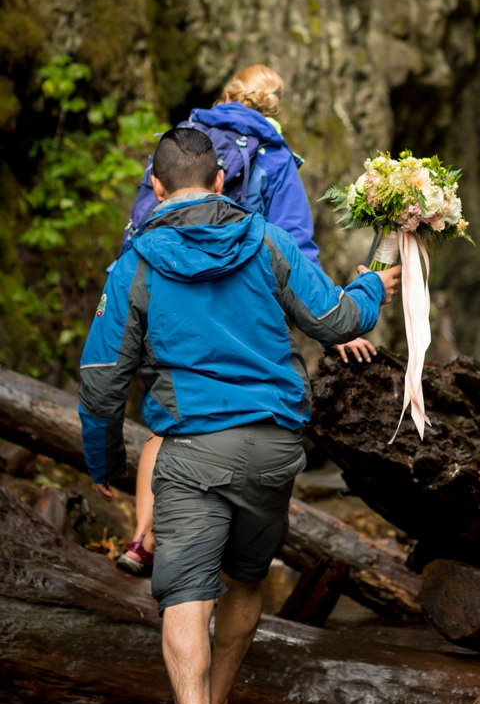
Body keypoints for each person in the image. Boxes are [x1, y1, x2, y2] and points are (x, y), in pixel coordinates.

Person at [79, 126, 401, 704]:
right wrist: (371, 285)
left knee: (186, 596)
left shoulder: (136, 262)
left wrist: (102, 460)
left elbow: (104, 381)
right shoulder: (268, 241)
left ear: (156, 188)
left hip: (193, 451)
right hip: (276, 448)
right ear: (223, 181)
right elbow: (339, 320)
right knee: (248, 578)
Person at [117, 64, 373, 577]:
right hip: (243, 302)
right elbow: (294, 245)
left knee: (165, 419)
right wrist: (332, 323)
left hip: (166, 287)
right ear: (273, 106)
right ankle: (225, 556)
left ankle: (143, 538)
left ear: (226, 94)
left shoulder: (184, 141)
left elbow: (147, 211)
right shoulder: (274, 157)